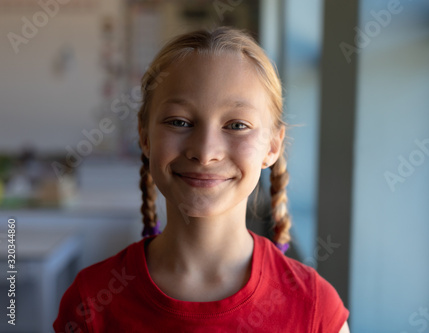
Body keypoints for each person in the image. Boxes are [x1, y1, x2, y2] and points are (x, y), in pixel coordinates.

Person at [53, 26, 349, 332]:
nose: (205, 152)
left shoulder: (316, 309)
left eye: (236, 125)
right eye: (179, 122)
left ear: (272, 146)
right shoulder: (91, 303)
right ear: (144, 136)